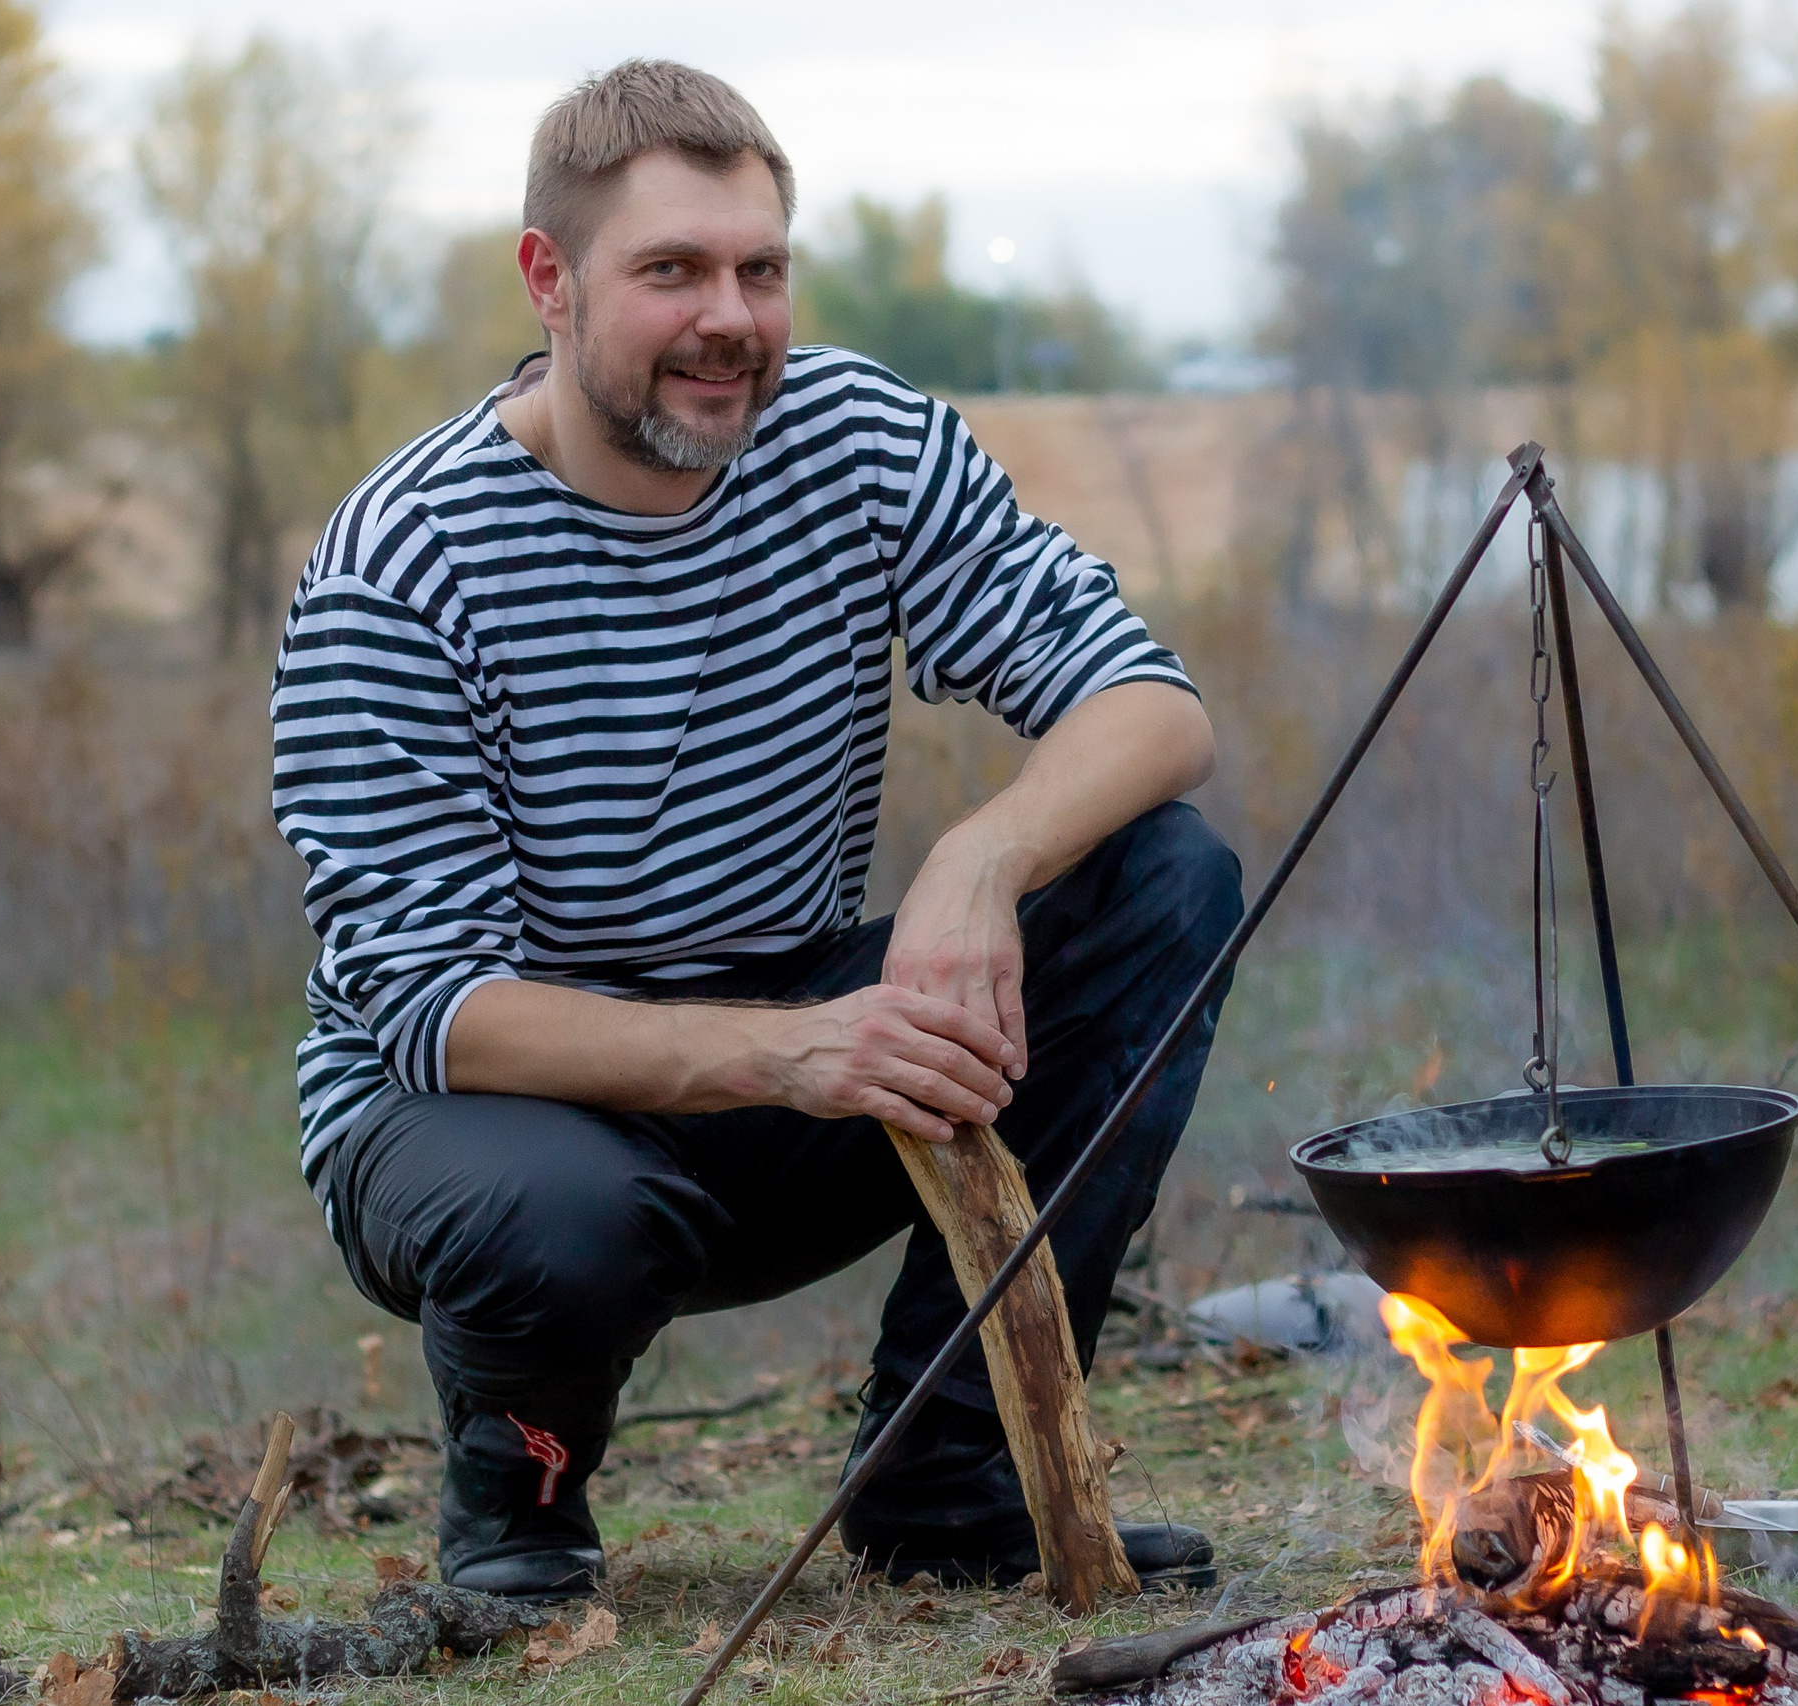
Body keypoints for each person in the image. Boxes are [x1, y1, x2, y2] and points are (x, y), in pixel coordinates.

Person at [268, 59, 1241, 1604]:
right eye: (672, 270)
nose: (730, 317)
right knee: (561, 1214)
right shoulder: (400, 567)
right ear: (550, 281)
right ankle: (520, 1521)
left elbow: (1154, 707)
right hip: (486, 1117)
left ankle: (947, 1476)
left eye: (760, 270)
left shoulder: (858, 442)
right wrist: (791, 1053)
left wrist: (977, 860)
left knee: (1168, 877)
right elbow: (440, 1011)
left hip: (794, 1068)